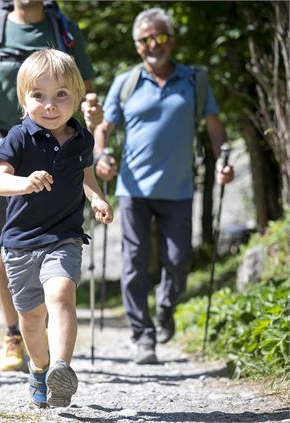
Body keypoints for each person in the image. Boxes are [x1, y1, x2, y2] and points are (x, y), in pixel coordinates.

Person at [0, 0, 103, 373]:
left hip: (63, 148)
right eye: (38, 94)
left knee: (60, 284)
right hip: (3, 149)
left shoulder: (63, 28)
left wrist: (93, 120)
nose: (50, 101)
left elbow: (85, 90)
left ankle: (58, 362)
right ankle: (14, 334)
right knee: (3, 244)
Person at [93, 7, 235, 365]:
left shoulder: (194, 81)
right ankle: (143, 336)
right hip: (133, 189)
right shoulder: (125, 83)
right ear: (138, 46)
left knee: (178, 261)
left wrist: (223, 160)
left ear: (171, 40)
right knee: (134, 264)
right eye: (146, 39)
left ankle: (166, 310)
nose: (153, 44)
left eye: (160, 37)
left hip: (179, 189)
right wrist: (103, 157)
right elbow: (102, 131)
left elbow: (215, 128)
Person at [0, 49, 113, 408]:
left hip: (64, 236)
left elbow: (86, 176)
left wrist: (97, 199)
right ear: (24, 100)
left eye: (61, 94)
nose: (50, 105)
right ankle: (40, 368)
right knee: (30, 318)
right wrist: (24, 182)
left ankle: (62, 368)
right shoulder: (18, 137)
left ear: (76, 96)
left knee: (61, 295)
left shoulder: (82, 138)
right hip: (20, 244)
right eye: (38, 95)